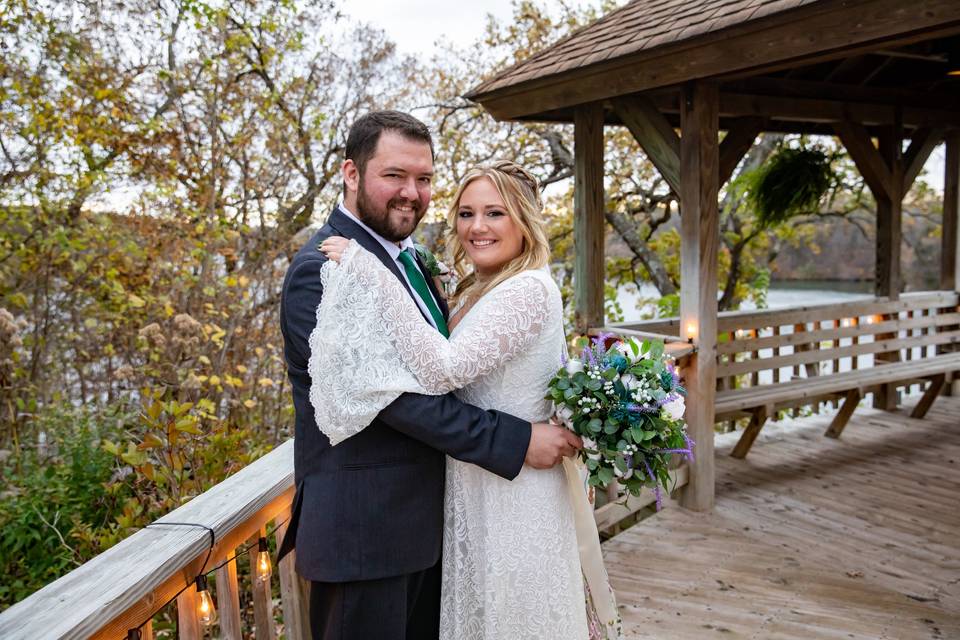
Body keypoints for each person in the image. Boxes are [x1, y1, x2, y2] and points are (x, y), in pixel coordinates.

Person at [277, 110, 581, 640]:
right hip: (366, 537)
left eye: (424, 179)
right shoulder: (325, 271)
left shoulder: (411, 261)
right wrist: (515, 439)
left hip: (433, 529)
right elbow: (395, 400)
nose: (411, 193)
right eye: (394, 175)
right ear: (351, 174)